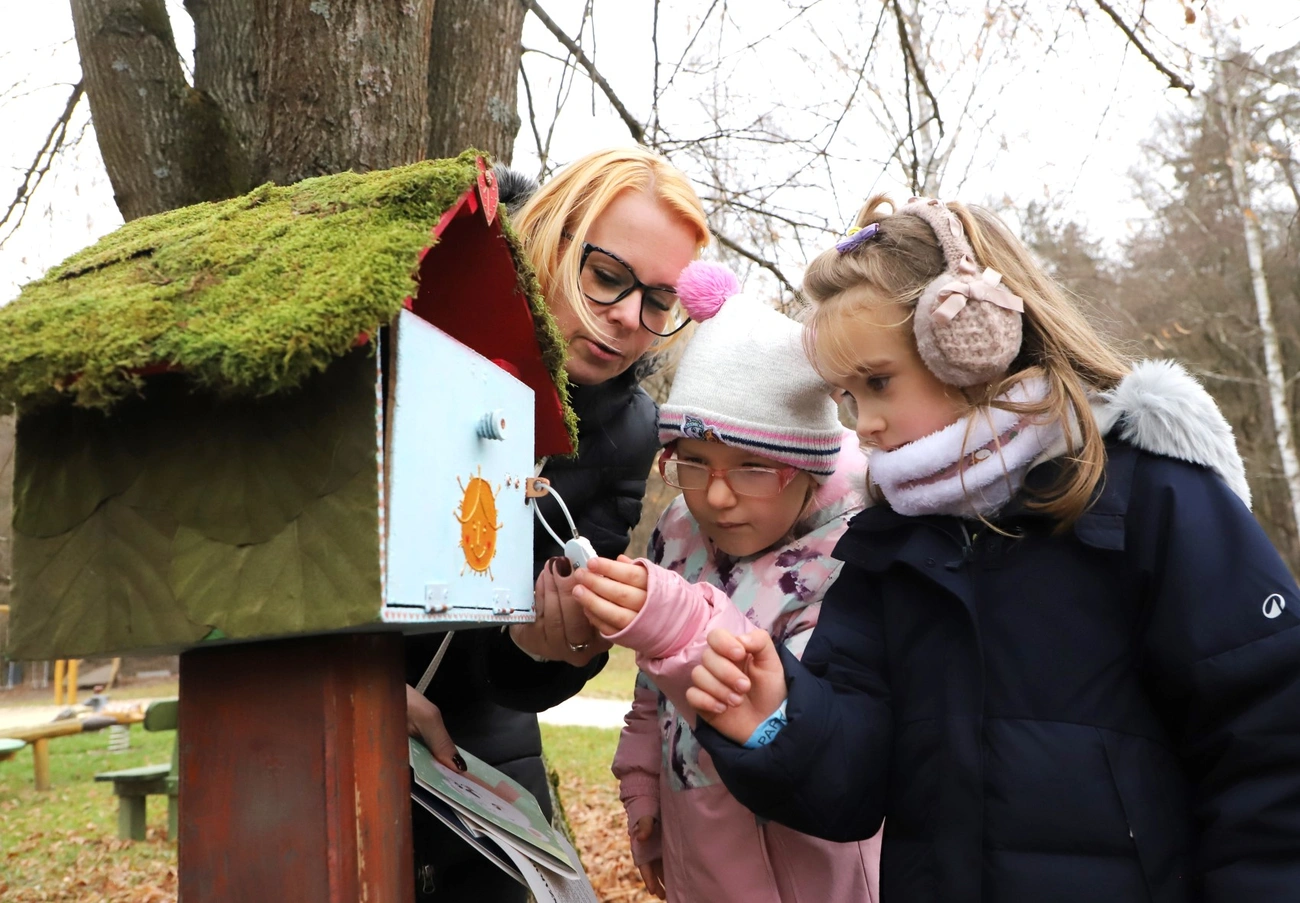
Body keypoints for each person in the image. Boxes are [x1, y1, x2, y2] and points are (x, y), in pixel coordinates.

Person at [686, 195, 1300, 902]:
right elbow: (853, 785)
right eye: (848, 397)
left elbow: (1269, 744)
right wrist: (780, 718)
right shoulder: (887, 548)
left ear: (975, 339)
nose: (865, 425)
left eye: (878, 382)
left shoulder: (1152, 499)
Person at [403, 148, 710, 902]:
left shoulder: (631, 431)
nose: (628, 318)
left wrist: (549, 649)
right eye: (607, 276)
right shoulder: (413, 329)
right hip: (310, 729)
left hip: (477, 768)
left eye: (659, 301)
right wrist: (357, 689)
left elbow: (513, 677)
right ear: (548, 234)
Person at [569, 261, 880, 902]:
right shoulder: (680, 531)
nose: (715, 497)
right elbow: (652, 692)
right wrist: (642, 785)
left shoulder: (859, 556)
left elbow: (795, 717)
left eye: (752, 468)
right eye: (693, 462)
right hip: (702, 861)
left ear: (810, 468)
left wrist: (678, 622)